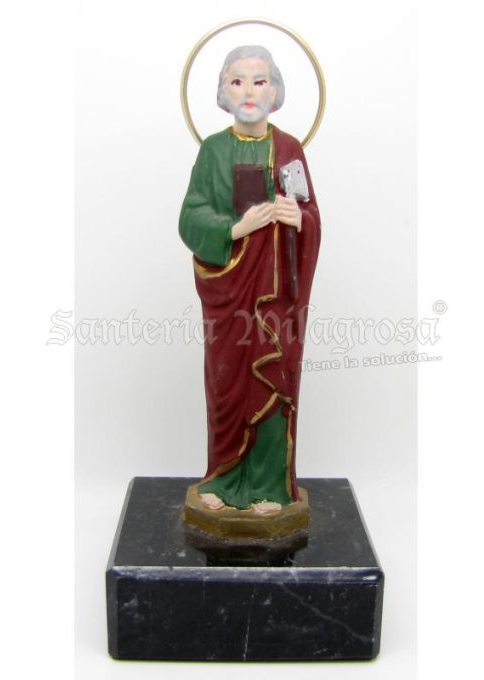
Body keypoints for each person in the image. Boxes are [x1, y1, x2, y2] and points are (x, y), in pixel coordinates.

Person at [179, 45, 321, 516]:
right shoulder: (213, 151)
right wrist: (236, 228)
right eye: (236, 81)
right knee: (226, 381)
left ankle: (269, 487)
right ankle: (222, 476)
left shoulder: (289, 150)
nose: (248, 92)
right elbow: (190, 217)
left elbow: (311, 214)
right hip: (229, 292)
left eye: (259, 81)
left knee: (272, 375)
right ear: (223, 91)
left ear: (275, 91)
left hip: (275, 294)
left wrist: (297, 219)